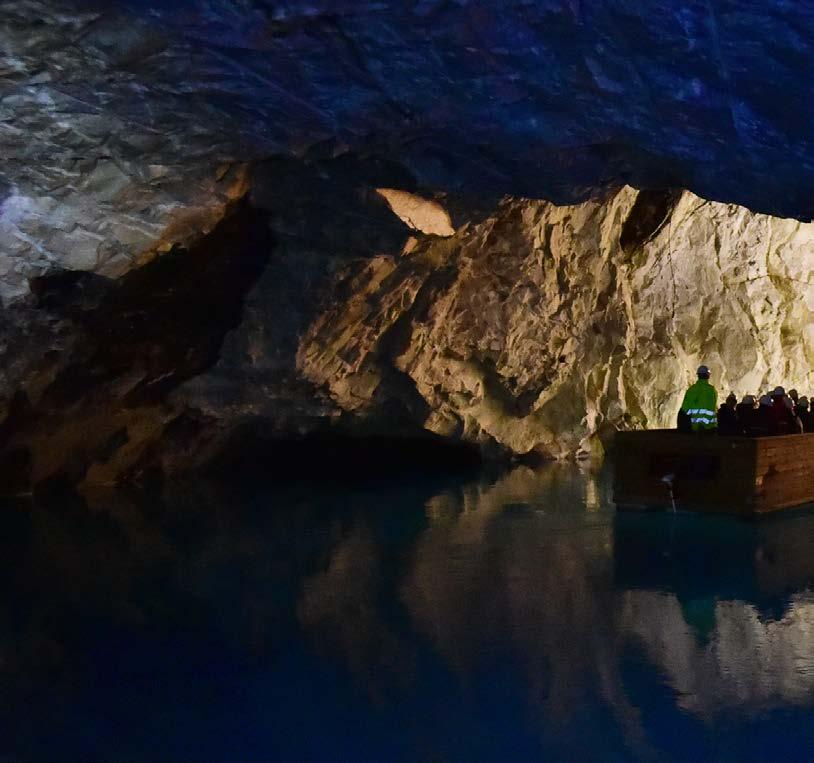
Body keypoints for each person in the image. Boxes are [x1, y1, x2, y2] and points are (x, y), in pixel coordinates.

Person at [678, 365, 718, 432]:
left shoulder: (691, 389)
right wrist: (703, 424)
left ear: (698, 375)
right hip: (709, 428)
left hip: (694, 428)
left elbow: (685, 409)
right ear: (708, 375)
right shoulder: (711, 390)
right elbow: (711, 409)